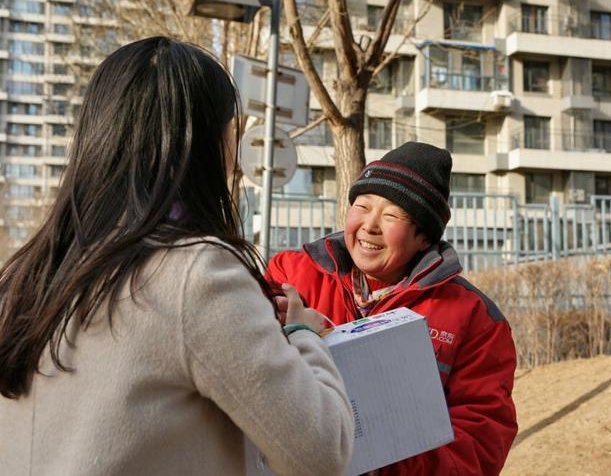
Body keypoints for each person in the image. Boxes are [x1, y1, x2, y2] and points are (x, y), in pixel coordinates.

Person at [0, 37, 353, 476]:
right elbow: (320, 452)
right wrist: (304, 334)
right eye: (233, 130)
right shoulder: (196, 273)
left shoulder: (29, 274)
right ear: (206, 143)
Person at [267, 141, 518, 476]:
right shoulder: (291, 275)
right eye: (363, 206)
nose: (370, 225)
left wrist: (382, 462)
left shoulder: (477, 320)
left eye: (391, 215)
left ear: (424, 238)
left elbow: (479, 446)